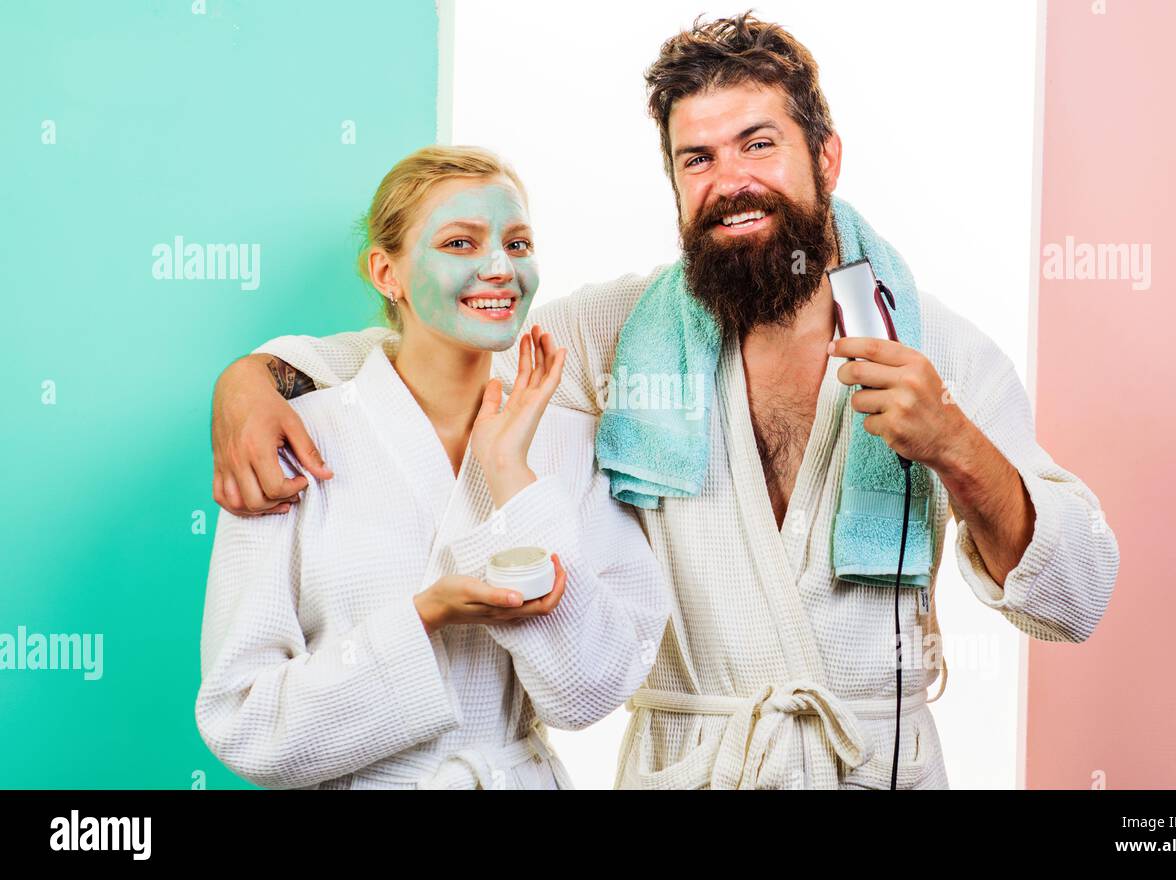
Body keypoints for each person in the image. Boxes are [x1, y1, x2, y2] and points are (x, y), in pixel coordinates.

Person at [207, 14, 1119, 789]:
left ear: (826, 155)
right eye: (698, 158)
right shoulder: (619, 336)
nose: (731, 181)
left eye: (759, 144)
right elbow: (445, 341)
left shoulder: (935, 349)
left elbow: (1073, 598)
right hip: (690, 765)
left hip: (870, 763)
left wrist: (959, 447)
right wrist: (256, 377)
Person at [196, 145, 669, 789]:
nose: (501, 267)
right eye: (460, 244)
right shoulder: (295, 439)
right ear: (386, 273)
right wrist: (424, 619)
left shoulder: (573, 442)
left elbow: (589, 694)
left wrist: (509, 471)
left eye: (519, 243)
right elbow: (243, 721)